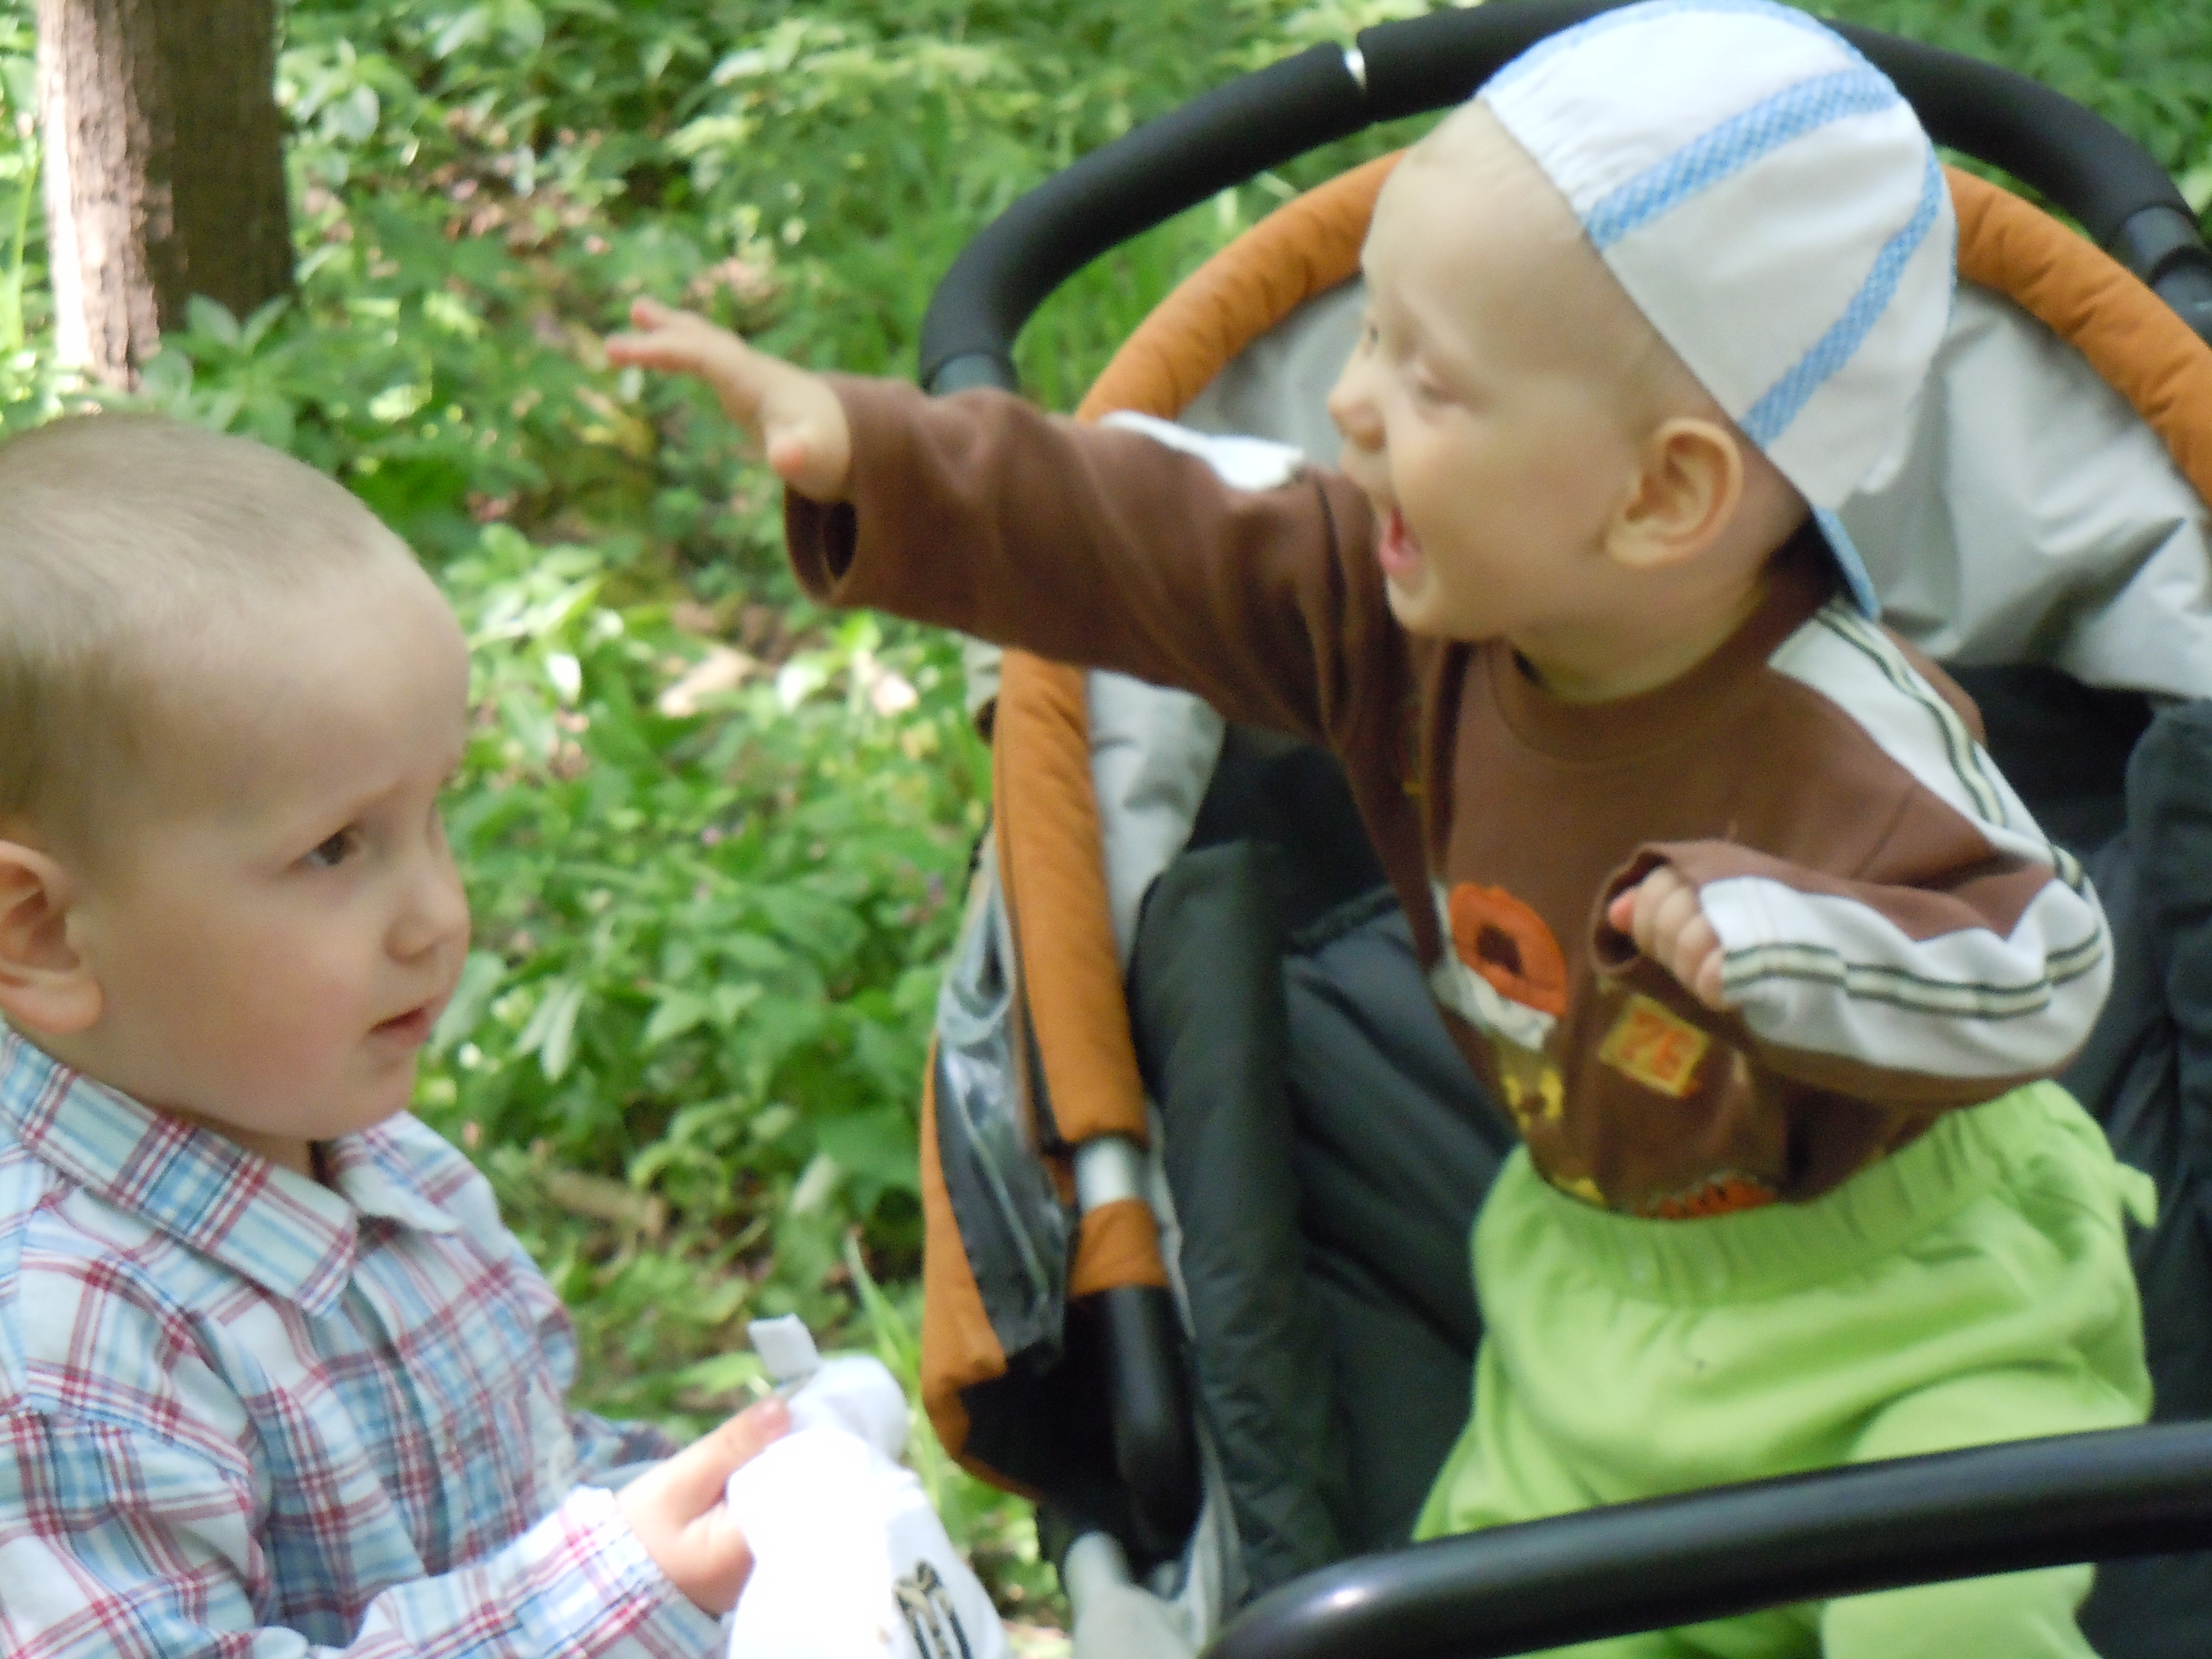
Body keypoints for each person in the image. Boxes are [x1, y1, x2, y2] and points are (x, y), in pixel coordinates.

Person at [607, 3, 2156, 1653]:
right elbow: (1147, 523)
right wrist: (878, 455)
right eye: (1367, 340)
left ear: (1663, 495)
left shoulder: (1847, 729)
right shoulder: (1382, 619)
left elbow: (2043, 957)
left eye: (1426, 379)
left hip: (1927, 1313)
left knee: (1944, 1627)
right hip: (1596, 1318)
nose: (1349, 407)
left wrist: (1784, 943)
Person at [0, 412, 788, 1658]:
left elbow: (525, 1481)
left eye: (437, 812)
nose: (438, 915)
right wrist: (607, 1600)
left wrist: (708, 1513)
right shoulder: (57, 1355)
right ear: (44, 933)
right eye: (334, 849)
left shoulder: (388, 1167)